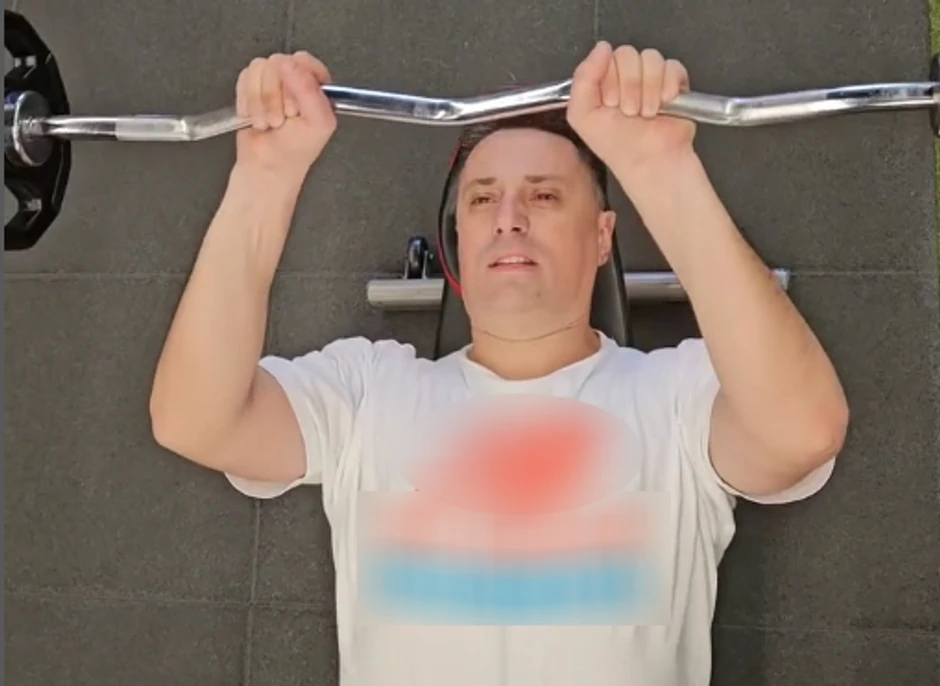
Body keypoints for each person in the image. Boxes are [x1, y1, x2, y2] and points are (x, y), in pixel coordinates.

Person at [149, 41, 850, 686]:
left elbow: (802, 431)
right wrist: (264, 177)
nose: (509, 217)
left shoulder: (678, 396)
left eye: (544, 195)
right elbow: (196, 420)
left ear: (602, 236)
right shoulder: (367, 392)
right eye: (483, 199)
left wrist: (663, 170)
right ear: (459, 238)